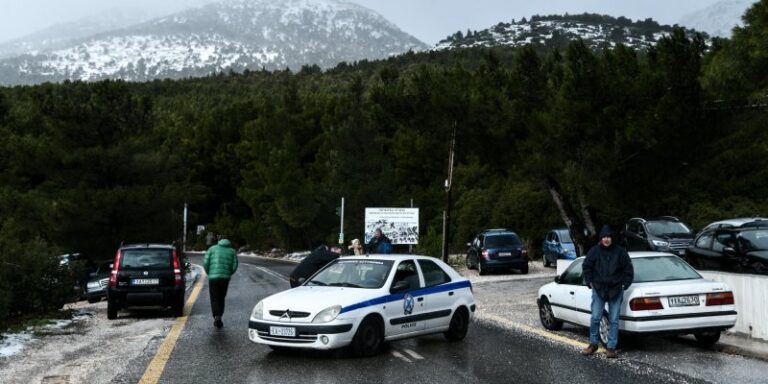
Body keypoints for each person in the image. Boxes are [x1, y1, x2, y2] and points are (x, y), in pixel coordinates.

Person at [581, 225, 634, 358]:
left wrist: (624, 285)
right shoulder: (594, 251)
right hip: (598, 289)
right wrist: (590, 282)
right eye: (604, 237)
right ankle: (593, 344)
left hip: (616, 290)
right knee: (595, 317)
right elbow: (586, 266)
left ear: (612, 238)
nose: (606, 239)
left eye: (609, 237)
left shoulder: (620, 252)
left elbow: (629, 269)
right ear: (601, 238)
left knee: (614, 320)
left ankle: (611, 347)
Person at [203, 237, 238, 329]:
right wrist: (229, 273)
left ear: (219, 242)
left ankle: (216, 316)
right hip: (225, 278)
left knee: (214, 297)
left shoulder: (212, 249)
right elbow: (235, 265)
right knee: (221, 297)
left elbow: (205, 262)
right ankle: (220, 315)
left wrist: (209, 272)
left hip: (213, 278)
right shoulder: (232, 251)